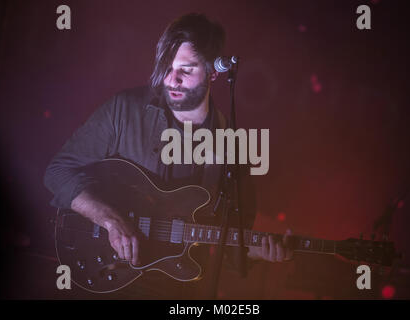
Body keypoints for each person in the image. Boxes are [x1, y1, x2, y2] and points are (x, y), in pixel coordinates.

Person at [44, 13, 292, 299]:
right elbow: (57, 172)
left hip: (174, 290)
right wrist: (110, 221)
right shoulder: (124, 110)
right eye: (167, 67)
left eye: (185, 70)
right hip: (106, 274)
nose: (171, 79)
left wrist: (258, 252)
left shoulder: (232, 147)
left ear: (213, 72)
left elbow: (227, 243)